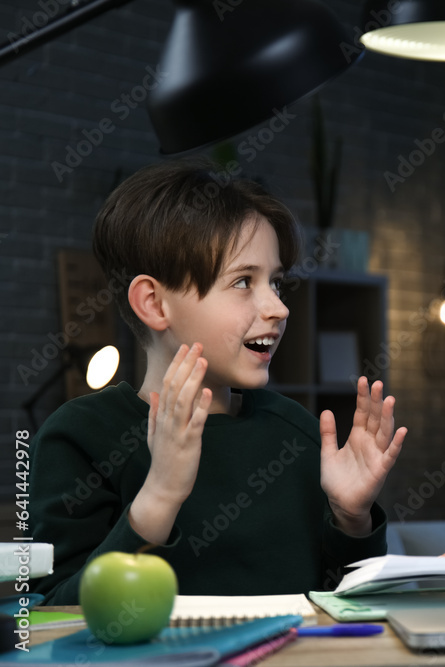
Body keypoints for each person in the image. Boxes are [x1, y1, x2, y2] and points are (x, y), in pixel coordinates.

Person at [29, 159, 407, 604]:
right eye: (244, 281)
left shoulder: (296, 431)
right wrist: (161, 494)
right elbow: (51, 618)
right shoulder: (80, 436)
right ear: (153, 303)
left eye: (277, 283)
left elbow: (347, 607)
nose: (279, 308)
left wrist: (352, 518)